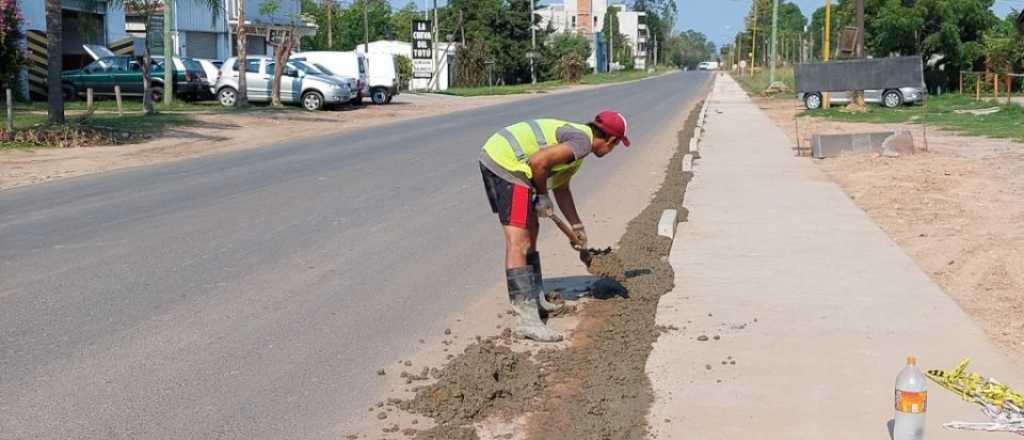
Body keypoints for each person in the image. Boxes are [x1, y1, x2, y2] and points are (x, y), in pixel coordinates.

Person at [478, 111, 631, 342]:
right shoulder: (581, 142)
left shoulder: (578, 149)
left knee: (533, 230)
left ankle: (535, 297)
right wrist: (541, 196)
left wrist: (577, 226)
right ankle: (526, 320)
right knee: (518, 240)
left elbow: (561, 188)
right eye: (616, 146)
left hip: (514, 165)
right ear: (611, 141)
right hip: (508, 165)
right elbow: (538, 162)